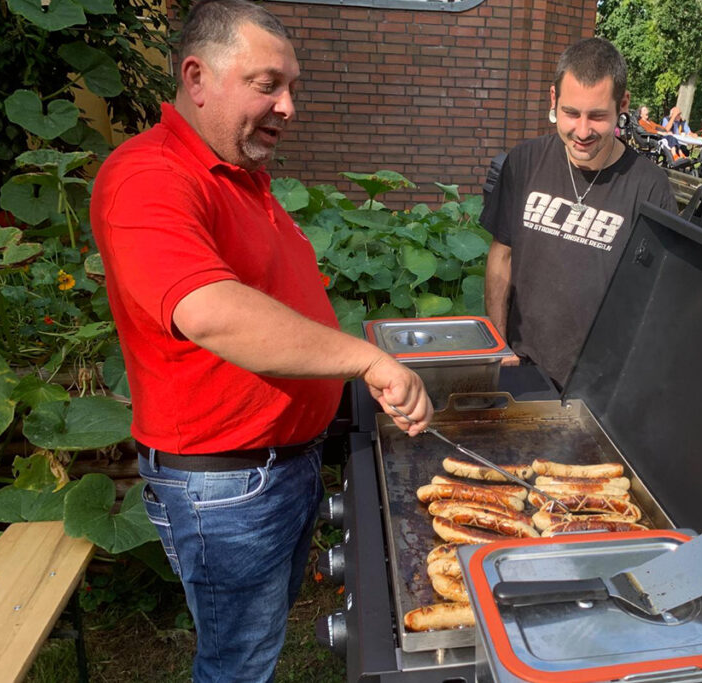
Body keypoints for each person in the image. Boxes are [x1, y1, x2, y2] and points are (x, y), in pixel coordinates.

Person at [89, 1, 433, 680]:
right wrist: (365, 358)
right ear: (197, 77)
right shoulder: (148, 177)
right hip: (226, 486)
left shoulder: (238, 173)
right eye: (267, 84)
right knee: (237, 663)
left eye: (292, 87)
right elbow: (210, 311)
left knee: (255, 643)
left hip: (273, 467)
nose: (288, 107)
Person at [482, 37, 677, 387]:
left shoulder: (649, 187)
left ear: (623, 104)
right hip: (524, 369)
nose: (582, 131)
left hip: (602, 385)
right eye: (571, 113)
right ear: (554, 99)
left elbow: (656, 299)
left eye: (598, 116)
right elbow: (502, 256)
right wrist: (497, 344)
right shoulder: (523, 163)